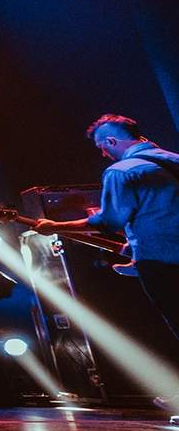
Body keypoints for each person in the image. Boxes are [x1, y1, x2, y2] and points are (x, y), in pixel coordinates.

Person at [35, 114, 179, 344]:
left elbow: (107, 222)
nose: (103, 154)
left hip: (166, 266)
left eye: (102, 147)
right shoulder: (173, 159)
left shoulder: (121, 171)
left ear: (111, 141)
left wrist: (55, 226)